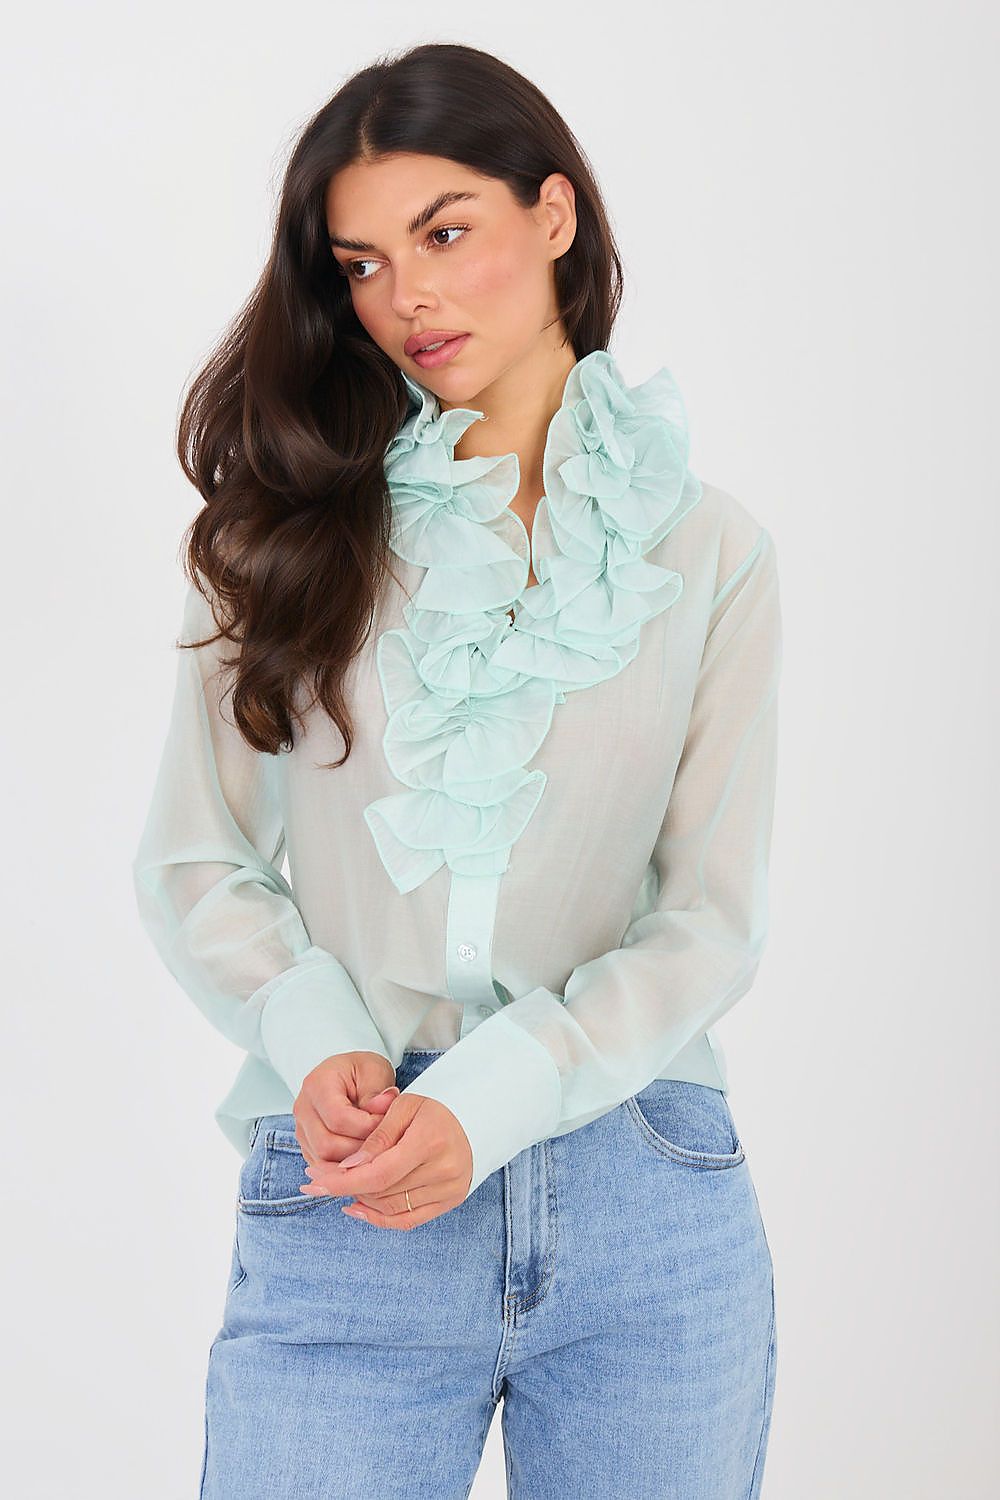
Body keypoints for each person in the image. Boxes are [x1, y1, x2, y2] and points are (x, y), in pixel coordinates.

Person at [133, 40, 782, 1500]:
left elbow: (709, 919)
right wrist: (316, 1035)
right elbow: (195, 858)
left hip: (642, 1196)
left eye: (443, 233)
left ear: (553, 214)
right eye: (362, 264)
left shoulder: (712, 552)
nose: (405, 298)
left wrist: (502, 1090)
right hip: (352, 1180)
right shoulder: (277, 540)